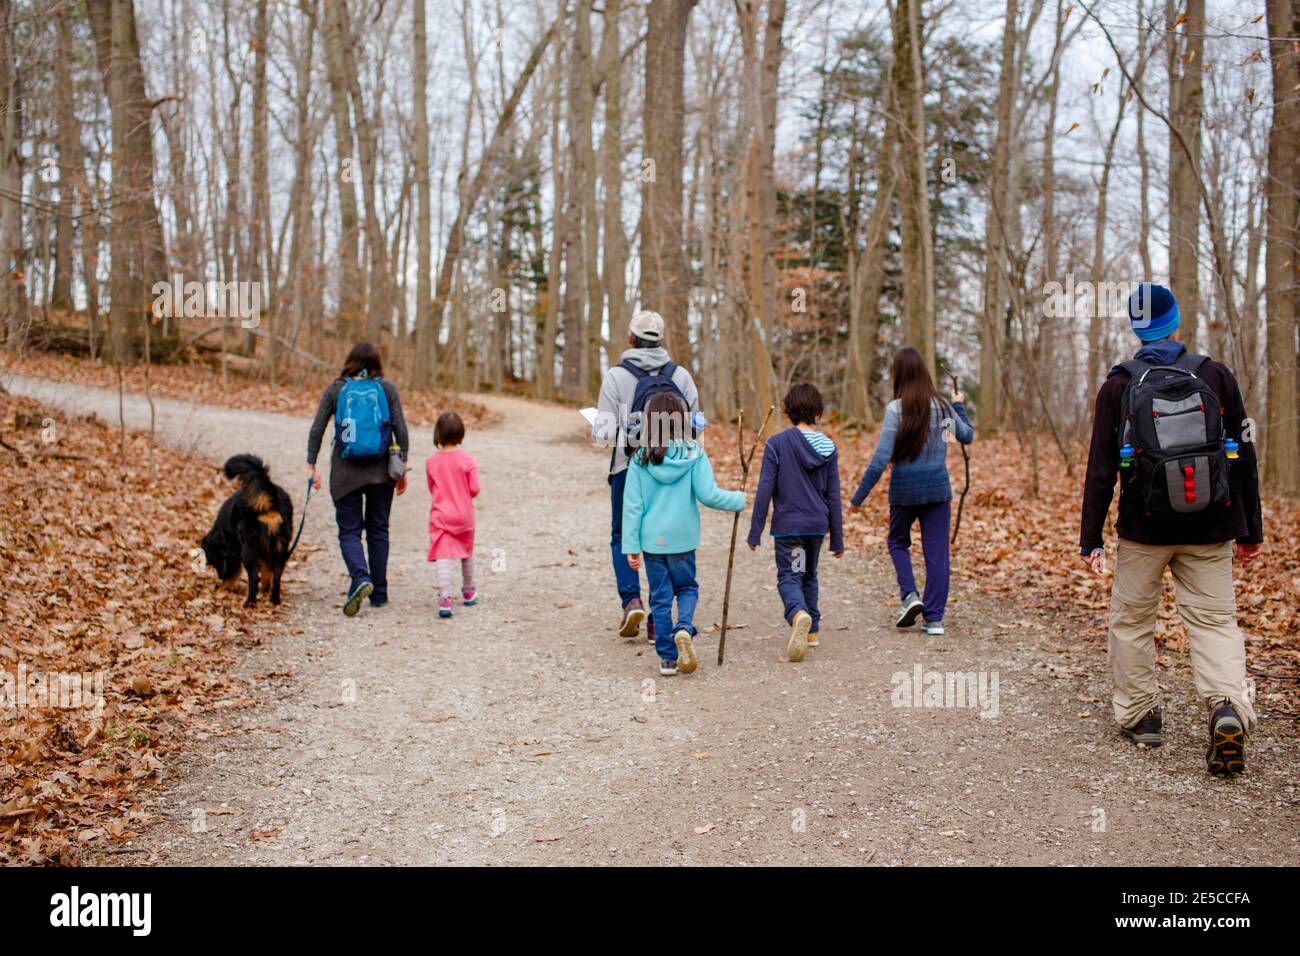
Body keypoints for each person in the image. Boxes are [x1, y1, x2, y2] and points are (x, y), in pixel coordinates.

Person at [1080, 282, 1262, 776]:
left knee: (1132, 621)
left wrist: (1090, 538)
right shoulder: (1216, 375)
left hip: (1144, 528)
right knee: (1215, 621)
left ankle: (1142, 717)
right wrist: (1251, 530)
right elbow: (1243, 454)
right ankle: (1227, 706)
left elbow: (1100, 469)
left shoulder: (1119, 385)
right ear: (1177, 323)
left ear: (1136, 330)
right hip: (1215, 521)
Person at [592, 310, 702, 642]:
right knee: (660, 540)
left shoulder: (615, 376)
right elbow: (696, 425)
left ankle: (632, 600)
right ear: (662, 340)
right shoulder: (680, 375)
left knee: (622, 535)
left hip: (629, 466)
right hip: (673, 471)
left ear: (630, 338)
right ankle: (660, 622)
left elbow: (603, 435)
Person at [849, 347, 973, 636]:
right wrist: (958, 406)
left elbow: (881, 458)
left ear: (899, 376)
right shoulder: (942, 408)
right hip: (937, 489)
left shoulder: (896, 409)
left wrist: (859, 496)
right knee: (937, 553)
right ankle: (934, 620)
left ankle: (909, 595)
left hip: (904, 490)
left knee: (897, 541)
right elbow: (966, 435)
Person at [621, 393, 744, 677]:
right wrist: (738, 499)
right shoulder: (695, 453)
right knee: (687, 588)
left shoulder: (640, 458)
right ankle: (684, 628)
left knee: (660, 598)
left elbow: (632, 507)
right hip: (683, 539)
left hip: (653, 541)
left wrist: (631, 545)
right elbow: (708, 495)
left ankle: (668, 659)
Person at [307, 342, 409, 616]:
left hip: (345, 472)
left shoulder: (337, 388)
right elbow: (401, 429)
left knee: (350, 531)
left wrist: (311, 464)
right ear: (377, 363)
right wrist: (402, 467)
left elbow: (317, 427)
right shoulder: (386, 389)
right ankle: (379, 592)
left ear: (349, 361)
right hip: (381, 473)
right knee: (379, 530)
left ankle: (360, 577)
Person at [747, 383, 845, 663]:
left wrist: (755, 532)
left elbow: (765, 488)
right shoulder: (828, 447)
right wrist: (837, 538)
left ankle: (797, 613)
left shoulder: (777, 445)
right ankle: (812, 630)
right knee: (808, 574)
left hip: (790, 527)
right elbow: (833, 494)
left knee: (790, 575)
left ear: (789, 410)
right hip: (816, 524)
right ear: (817, 411)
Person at [426, 411, 479, 619]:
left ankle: (445, 598)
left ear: (438, 434)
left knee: (443, 554)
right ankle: (468, 590)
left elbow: (432, 487)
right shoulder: (468, 460)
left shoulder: (432, 461)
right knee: (466, 551)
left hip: (442, 514)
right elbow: (474, 489)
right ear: (461, 433)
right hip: (464, 514)